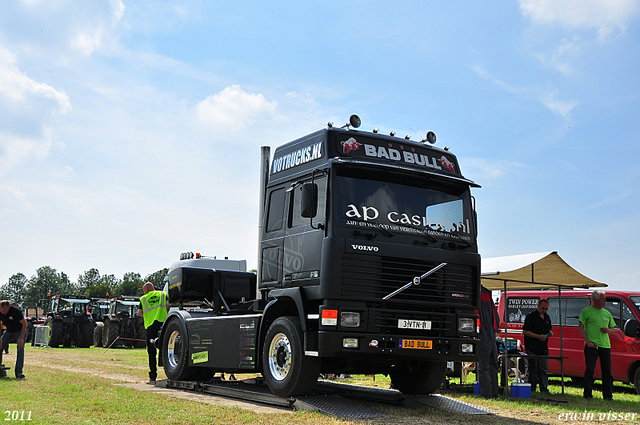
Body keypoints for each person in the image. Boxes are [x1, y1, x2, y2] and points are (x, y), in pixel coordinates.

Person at [578, 289, 616, 400]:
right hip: (592, 346)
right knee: (590, 370)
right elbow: (581, 327)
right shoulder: (586, 311)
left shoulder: (607, 313)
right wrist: (588, 341)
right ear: (595, 299)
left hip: (605, 346)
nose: (605, 301)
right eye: (603, 298)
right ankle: (588, 394)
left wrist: (607, 330)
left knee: (607, 372)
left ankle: (608, 395)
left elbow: (613, 329)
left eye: (605, 299)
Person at [137, 282, 170, 384]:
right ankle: (168, 371)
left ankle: (153, 375)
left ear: (146, 289)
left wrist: (148, 316)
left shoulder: (143, 298)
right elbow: (168, 305)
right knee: (165, 348)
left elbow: (139, 313)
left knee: (151, 351)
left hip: (151, 326)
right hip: (162, 324)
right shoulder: (163, 294)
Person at [522, 299, 553, 392]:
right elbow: (525, 331)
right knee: (533, 369)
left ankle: (544, 388)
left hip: (543, 348)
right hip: (532, 347)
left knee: (543, 369)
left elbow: (549, 330)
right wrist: (538, 336)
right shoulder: (531, 317)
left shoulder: (547, 317)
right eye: (543, 308)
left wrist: (550, 333)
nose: (544, 310)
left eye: (546, 309)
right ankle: (532, 388)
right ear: (538, 306)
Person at [478, 286, 500, 398]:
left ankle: (486, 393)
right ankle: (494, 392)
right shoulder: (487, 292)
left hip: (483, 333)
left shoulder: (474, 291)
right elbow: (496, 317)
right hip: (491, 333)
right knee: (493, 365)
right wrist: (495, 329)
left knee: (484, 365)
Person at [0, 300, 27, 379]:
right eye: (1, 310)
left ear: (9, 307)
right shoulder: (0, 312)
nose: (3, 312)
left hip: (20, 330)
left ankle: (18, 372)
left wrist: (21, 338)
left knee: (20, 349)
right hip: (9, 330)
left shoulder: (16, 311)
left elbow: (25, 324)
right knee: (0, 345)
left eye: (4, 310)